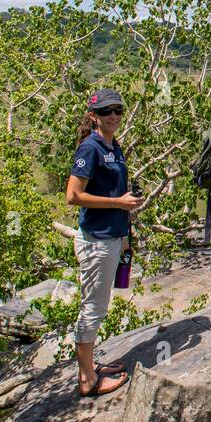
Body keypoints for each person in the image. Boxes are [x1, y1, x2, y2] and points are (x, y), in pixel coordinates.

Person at [65, 89, 143, 397]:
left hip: (110, 237)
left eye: (118, 110)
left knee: (99, 305)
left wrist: (124, 227)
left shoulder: (113, 145)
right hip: (96, 242)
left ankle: (91, 366)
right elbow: (73, 196)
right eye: (107, 111)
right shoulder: (91, 148)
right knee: (93, 308)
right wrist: (116, 203)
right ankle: (87, 380)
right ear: (93, 115)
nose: (113, 116)